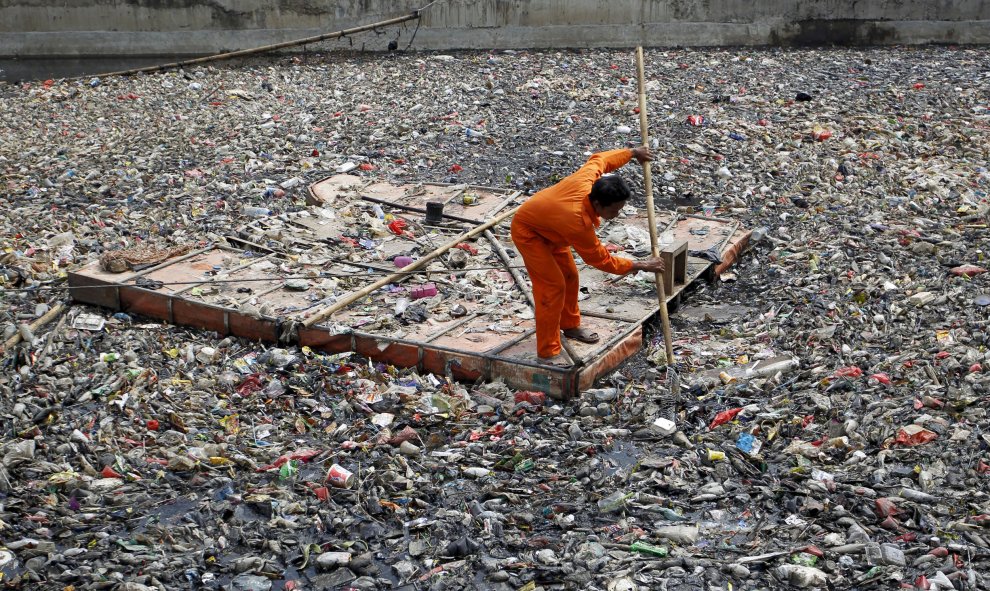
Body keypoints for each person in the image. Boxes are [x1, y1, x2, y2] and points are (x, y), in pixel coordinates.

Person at [511, 146, 666, 364]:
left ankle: (570, 325)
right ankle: (548, 351)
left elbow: (600, 159)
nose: (616, 215)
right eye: (613, 211)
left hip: (553, 229)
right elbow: (600, 259)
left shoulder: (588, 180)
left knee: (570, 276)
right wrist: (639, 265)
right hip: (530, 232)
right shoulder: (577, 222)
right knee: (553, 286)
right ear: (597, 204)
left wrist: (632, 153)